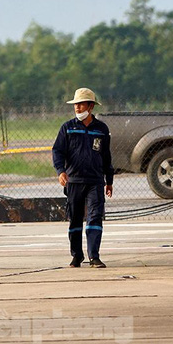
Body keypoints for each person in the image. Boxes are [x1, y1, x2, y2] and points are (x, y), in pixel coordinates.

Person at [52, 88, 114, 268]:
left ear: (91, 106)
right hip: (74, 182)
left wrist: (109, 180)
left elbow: (106, 157)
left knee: (95, 217)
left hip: (95, 181)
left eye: (81, 104)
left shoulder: (101, 129)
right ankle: (77, 255)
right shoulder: (68, 128)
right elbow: (57, 151)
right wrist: (61, 171)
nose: (77, 108)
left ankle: (94, 256)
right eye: (75, 105)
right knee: (75, 219)